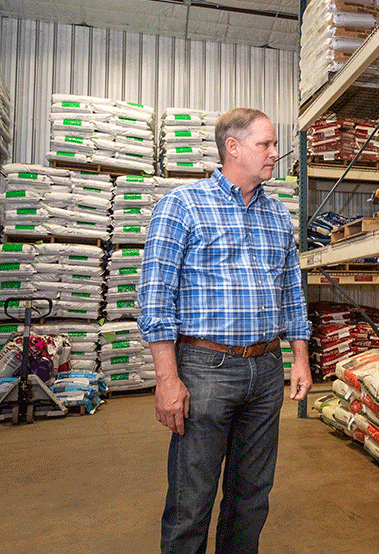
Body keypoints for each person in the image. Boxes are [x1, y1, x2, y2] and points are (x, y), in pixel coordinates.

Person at [138, 107, 312, 554]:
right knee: (191, 498)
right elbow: (156, 297)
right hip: (204, 368)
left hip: (267, 368)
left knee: (252, 495)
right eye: (266, 145)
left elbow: (292, 290)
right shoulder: (182, 205)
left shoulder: (277, 214)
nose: (276, 153)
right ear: (232, 148)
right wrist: (167, 379)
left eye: (275, 144)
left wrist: (300, 359)